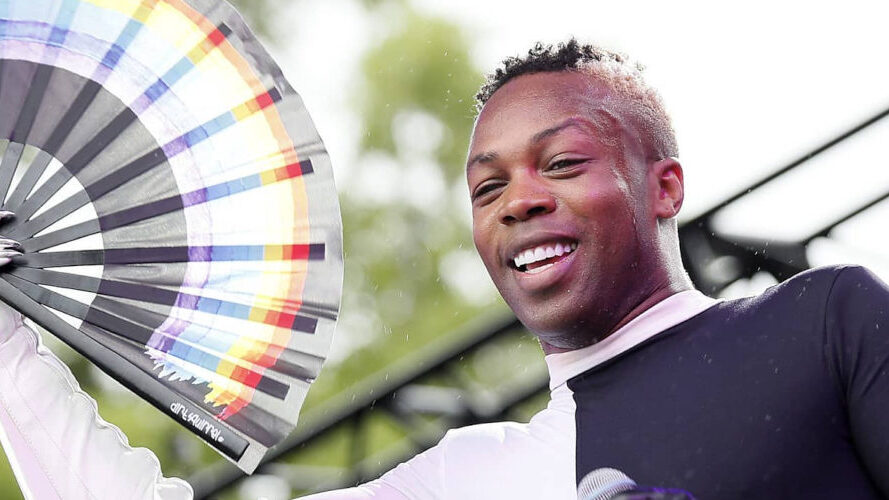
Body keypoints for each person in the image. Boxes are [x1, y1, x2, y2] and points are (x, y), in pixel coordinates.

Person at [1, 39, 888, 500]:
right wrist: (8, 347)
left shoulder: (821, 322)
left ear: (663, 186)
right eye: (486, 185)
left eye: (563, 163)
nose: (517, 199)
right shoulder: (470, 477)